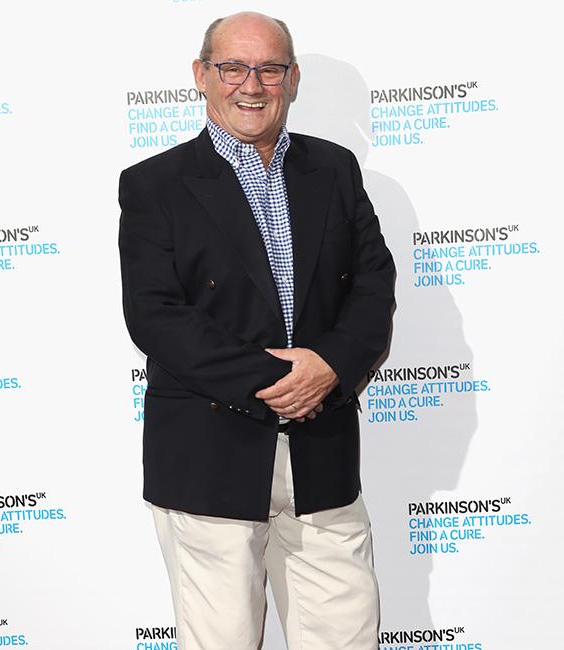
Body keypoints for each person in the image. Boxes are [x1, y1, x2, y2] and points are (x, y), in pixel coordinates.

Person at [118, 11, 395, 650]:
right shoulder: (154, 185)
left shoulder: (335, 169)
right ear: (201, 75)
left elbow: (374, 286)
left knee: (347, 638)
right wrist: (281, 380)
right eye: (233, 67)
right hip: (208, 455)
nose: (252, 84)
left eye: (270, 68)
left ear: (292, 79)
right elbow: (156, 315)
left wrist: (329, 367)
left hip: (323, 451)